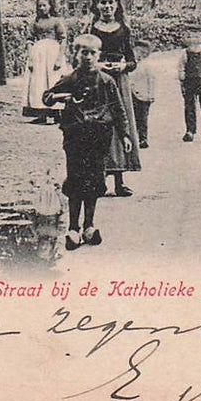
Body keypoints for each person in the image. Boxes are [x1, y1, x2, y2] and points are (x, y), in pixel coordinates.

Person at [43, 34, 132, 251]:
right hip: (75, 137)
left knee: (94, 180)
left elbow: (118, 110)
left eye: (93, 53)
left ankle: (89, 226)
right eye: (84, 52)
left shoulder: (106, 81)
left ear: (99, 55)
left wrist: (125, 135)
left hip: (99, 137)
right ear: (76, 55)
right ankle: (73, 228)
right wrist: (61, 97)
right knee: (75, 180)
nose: (89, 57)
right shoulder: (70, 78)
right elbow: (46, 96)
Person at [86, 0, 141, 197]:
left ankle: (120, 180)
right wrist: (96, 65)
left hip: (119, 83)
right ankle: (98, 180)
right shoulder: (91, 30)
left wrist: (122, 66)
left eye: (111, 2)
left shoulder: (124, 30)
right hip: (97, 82)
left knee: (120, 123)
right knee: (98, 125)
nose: (107, 7)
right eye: (103, 3)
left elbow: (133, 61)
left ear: (117, 5)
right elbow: (80, 56)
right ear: (96, 5)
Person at [22, 0, 69, 123]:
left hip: (53, 53)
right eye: (40, 6)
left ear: (50, 6)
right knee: (39, 82)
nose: (42, 8)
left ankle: (57, 113)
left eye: (45, 5)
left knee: (55, 81)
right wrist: (31, 58)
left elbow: (63, 39)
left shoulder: (56, 21)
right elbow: (29, 40)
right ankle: (41, 113)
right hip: (39, 55)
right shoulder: (35, 22)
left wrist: (59, 58)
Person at [178, 28, 201, 142]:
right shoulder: (184, 53)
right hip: (189, 82)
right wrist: (181, 78)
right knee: (189, 106)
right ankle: (190, 131)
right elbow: (181, 67)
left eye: (196, 37)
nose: (193, 40)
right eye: (190, 37)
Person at [130, 40, 155, 148]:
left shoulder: (147, 65)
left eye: (143, 53)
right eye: (137, 51)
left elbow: (151, 80)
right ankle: (133, 139)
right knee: (132, 117)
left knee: (143, 118)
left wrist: (151, 94)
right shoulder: (129, 64)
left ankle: (143, 138)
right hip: (131, 94)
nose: (139, 54)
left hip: (144, 95)